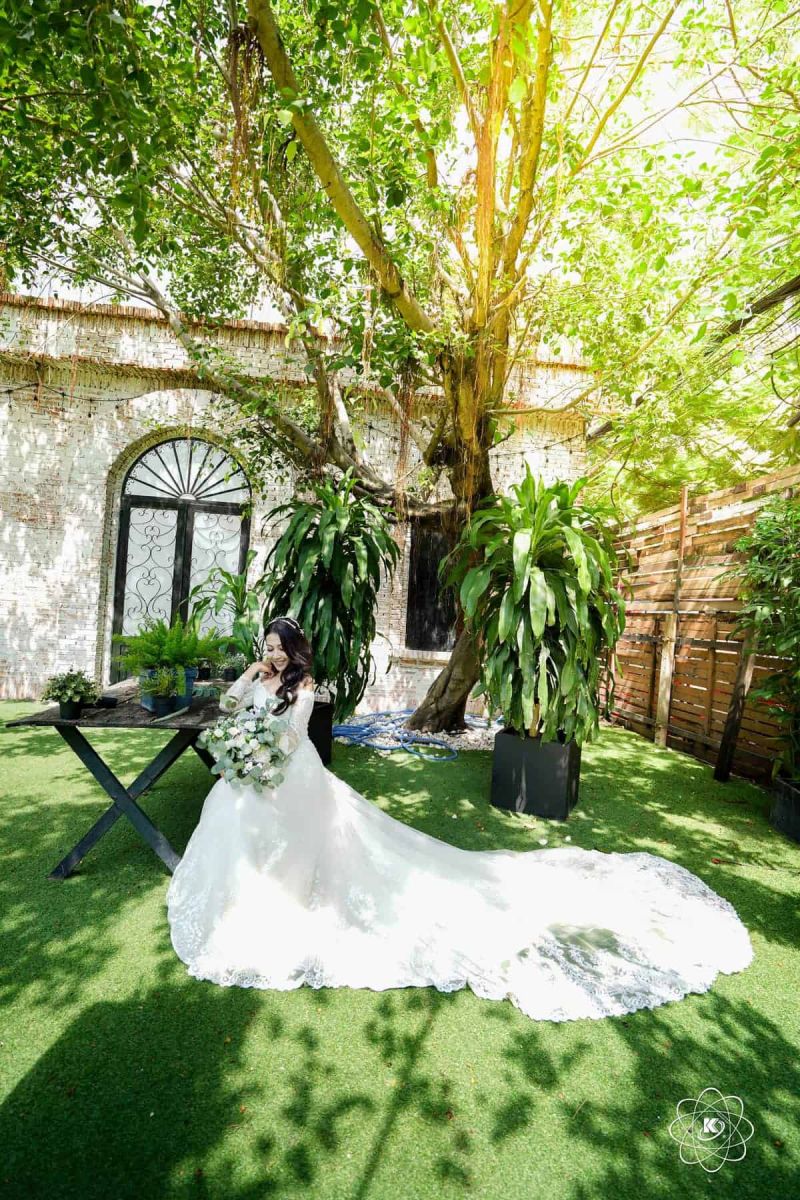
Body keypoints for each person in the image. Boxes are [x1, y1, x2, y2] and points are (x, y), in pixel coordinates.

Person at [166, 617, 753, 1023]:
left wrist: (262, 746)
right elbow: (229, 707)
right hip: (255, 770)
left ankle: (293, 893)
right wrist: (249, 681)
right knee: (235, 818)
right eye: (268, 645)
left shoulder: (304, 684)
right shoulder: (260, 677)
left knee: (298, 837)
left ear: (295, 650)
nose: (273, 653)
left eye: (279, 648)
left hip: (289, 771)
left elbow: (296, 736)